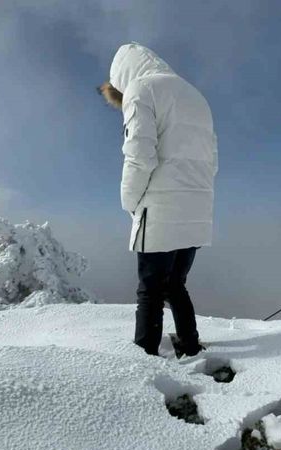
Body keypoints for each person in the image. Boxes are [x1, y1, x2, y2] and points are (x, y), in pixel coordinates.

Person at [98, 43, 218, 357]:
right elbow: (212, 161)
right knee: (176, 284)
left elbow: (138, 155)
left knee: (150, 290)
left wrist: (130, 201)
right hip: (197, 207)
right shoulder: (196, 96)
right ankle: (190, 346)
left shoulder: (141, 90)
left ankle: (145, 355)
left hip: (160, 208)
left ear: (122, 75)